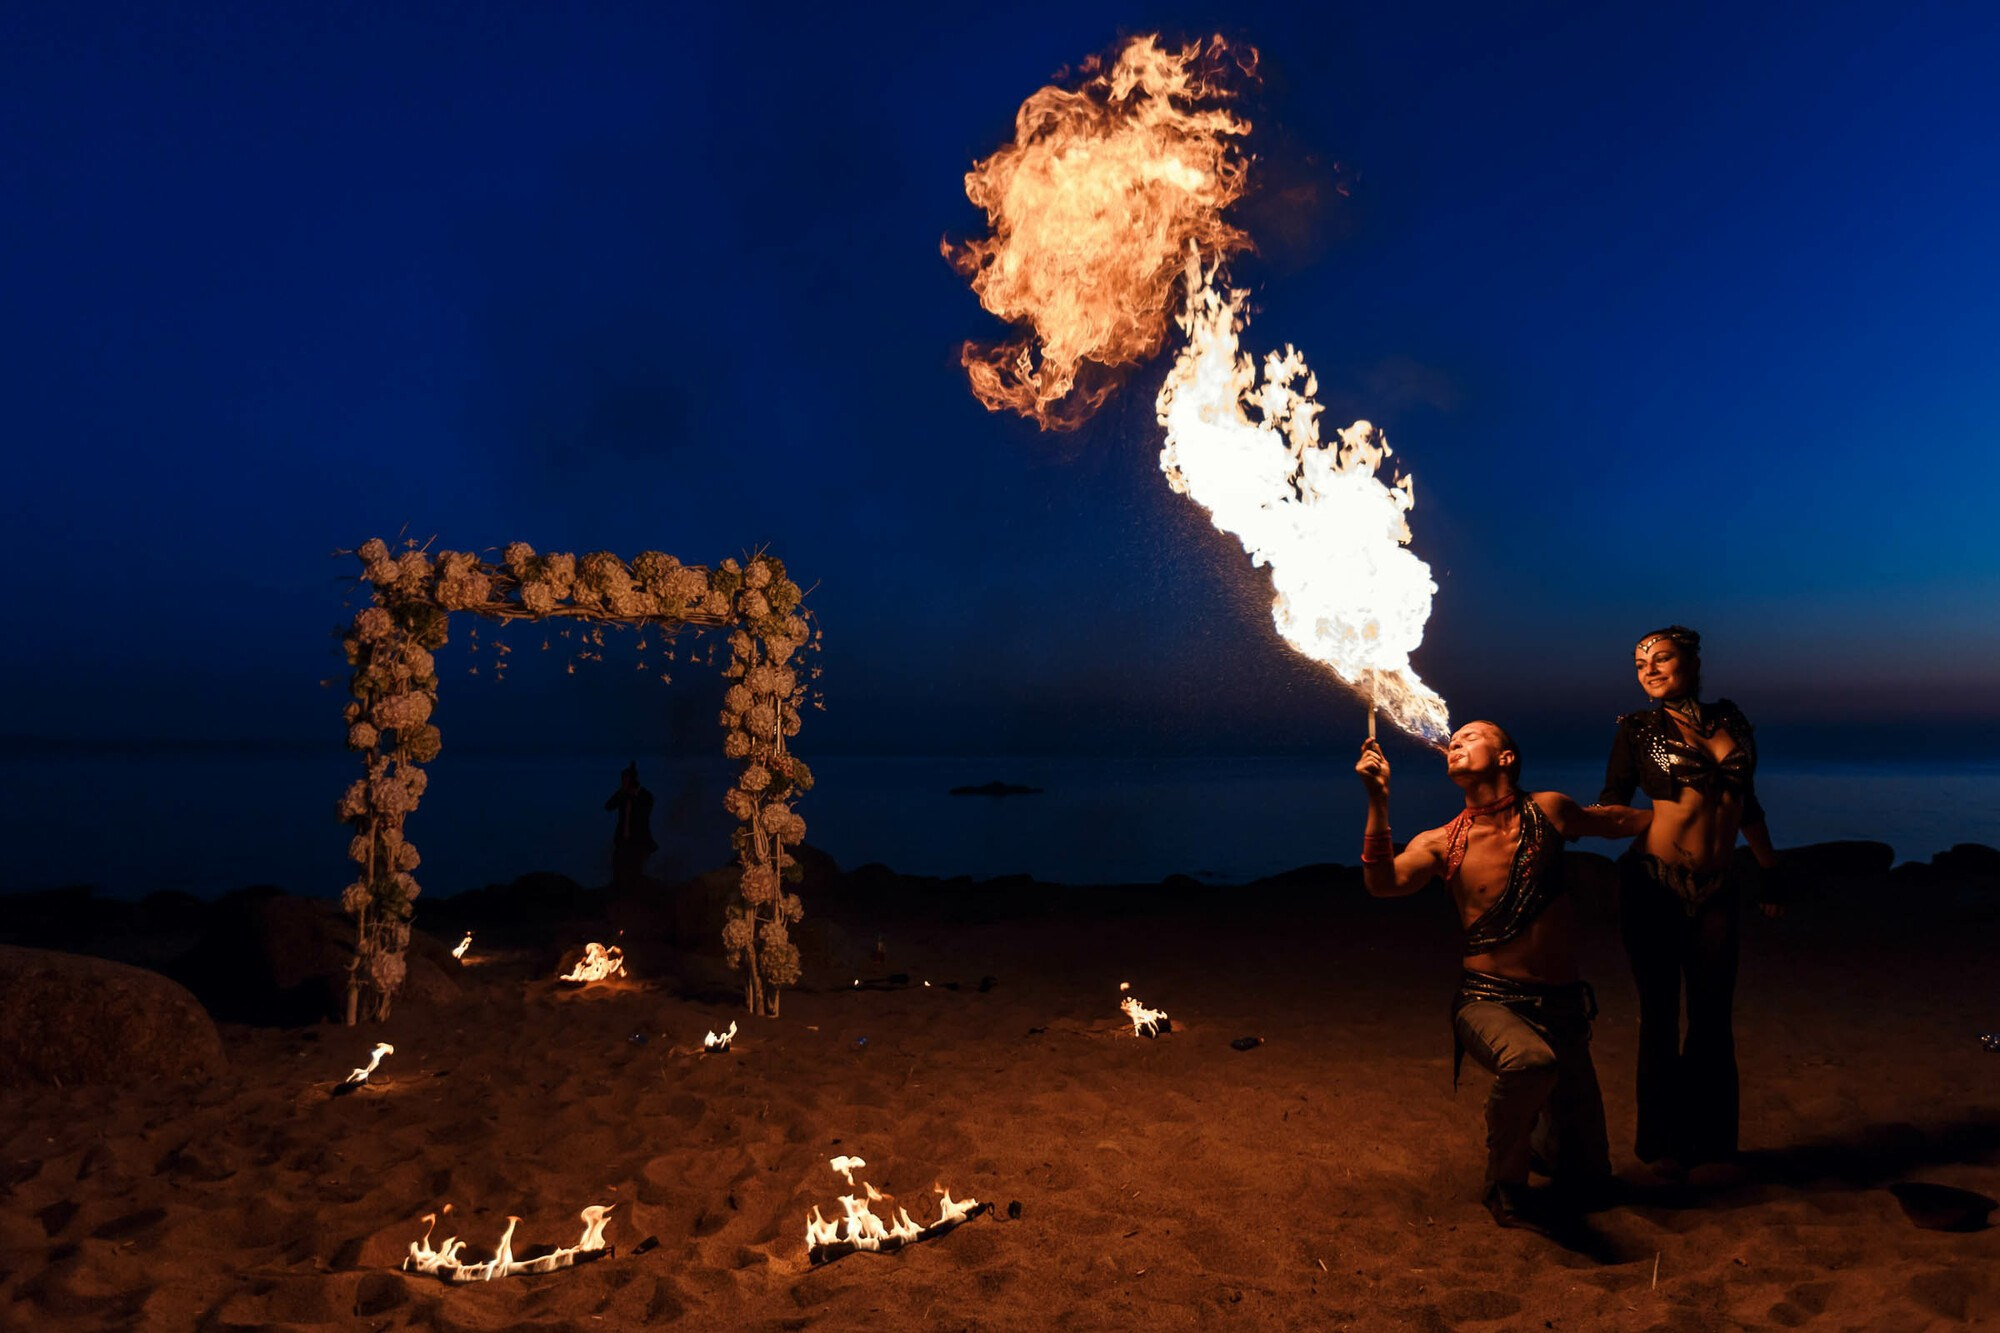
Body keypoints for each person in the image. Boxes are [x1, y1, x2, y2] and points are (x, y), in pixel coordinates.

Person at [1356, 722, 1650, 1229]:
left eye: (1472, 736)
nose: (1456, 743)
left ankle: (1540, 1141)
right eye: (1456, 739)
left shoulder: (1551, 810)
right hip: (1488, 1001)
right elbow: (1383, 883)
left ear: (1506, 758)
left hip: (1563, 1008)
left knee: (1589, 1180)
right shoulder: (1440, 842)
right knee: (1530, 1063)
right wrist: (1379, 801)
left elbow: (1615, 821)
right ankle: (1504, 1183)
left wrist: (1679, 816)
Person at [1601, 625, 1784, 1179]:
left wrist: (1771, 870)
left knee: (1711, 1016)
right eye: (1640, 664)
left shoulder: (1733, 721)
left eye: (1661, 659)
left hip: (1718, 887)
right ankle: (1662, 1148)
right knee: (1659, 1017)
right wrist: (1562, 824)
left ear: (1692, 662)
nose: (1649, 670)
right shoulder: (1636, 729)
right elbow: (1613, 801)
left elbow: (1746, 804)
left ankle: (1712, 1144)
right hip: (1653, 884)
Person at [604, 762, 658, 890]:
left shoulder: (645, 796)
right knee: (618, 869)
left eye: (625, 781)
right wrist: (621, 793)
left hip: (639, 840)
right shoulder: (623, 795)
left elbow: (643, 813)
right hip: (622, 840)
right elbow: (608, 806)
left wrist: (632, 798)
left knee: (635, 872)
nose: (623, 783)